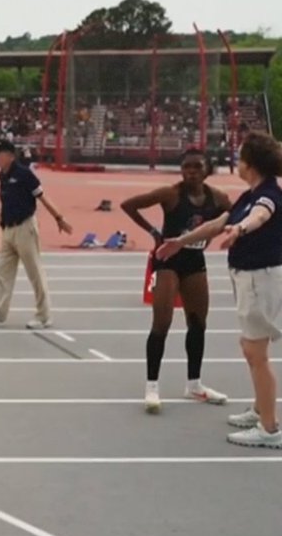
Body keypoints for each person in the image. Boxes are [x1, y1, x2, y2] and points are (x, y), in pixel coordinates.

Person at [158, 130, 282, 448]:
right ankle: (260, 410)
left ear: (251, 164)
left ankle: (269, 429)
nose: (236, 164)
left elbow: (260, 215)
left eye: (240, 159)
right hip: (249, 278)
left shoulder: (267, 194)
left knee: (255, 352)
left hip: (259, 278)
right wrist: (180, 242)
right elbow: (217, 223)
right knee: (252, 348)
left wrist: (240, 229)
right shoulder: (250, 193)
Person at [121, 149, 231, 412]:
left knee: (198, 323)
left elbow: (232, 218)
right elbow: (129, 205)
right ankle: (152, 386)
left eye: (196, 167)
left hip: (195, 261)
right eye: (186, 167)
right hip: (168, 261)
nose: (191, 171)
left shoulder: (218, 198)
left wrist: (211, 238)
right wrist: (154, 232)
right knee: (162, 322)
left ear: (207, 170)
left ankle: (194, 384)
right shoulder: (170, 194)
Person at [0, 139, 72, 329]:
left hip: (25, 228)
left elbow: (42, 197)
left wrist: (59, 218)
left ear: (10, 155)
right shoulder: (1, 176)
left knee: (34, 272)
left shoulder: (25, 174)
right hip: (7, 231)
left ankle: (43, 315)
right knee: (3, 274)